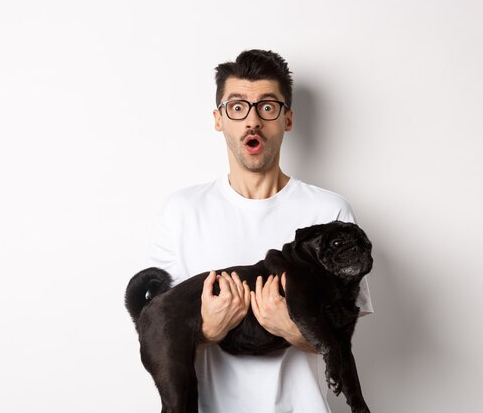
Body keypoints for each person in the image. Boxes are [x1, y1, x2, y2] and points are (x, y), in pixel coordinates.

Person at [144, 49, 373, 413]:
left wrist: (293, 328)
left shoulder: (330, 213)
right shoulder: (181, 210)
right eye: (237, 107)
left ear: (288, 119)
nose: (252, 121)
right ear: (219, 120)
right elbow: (156, 331)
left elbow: (343, 337)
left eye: (267, 107)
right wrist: (207, 330)